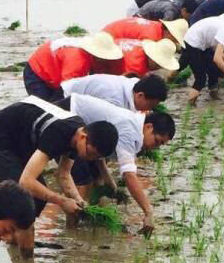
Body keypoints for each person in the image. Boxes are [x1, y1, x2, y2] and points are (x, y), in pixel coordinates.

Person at [0, 100, 118, 256]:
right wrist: (62, 201)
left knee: (37, 200)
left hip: (22, 141)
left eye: (96, 157)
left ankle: (17, 243)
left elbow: (63, 174)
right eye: (92, 154)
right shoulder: (58, 133)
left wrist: (78, 200)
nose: (91, 159)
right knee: (25, 200)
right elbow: (26, 182)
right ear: (83, 137)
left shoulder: (76, 136)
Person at [62, 93, 176, 235]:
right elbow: (129, 175)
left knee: (94, 176)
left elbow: (100, 154)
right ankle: (71, 232)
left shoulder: (134, 125)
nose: (155, 147)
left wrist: (108, 179)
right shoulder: (131, 132)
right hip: (68, 113)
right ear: (148, 127)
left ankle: (88, 220)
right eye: (157, 141)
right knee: (83, 181)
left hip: (79, 118)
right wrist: (148, 211)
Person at [24, 32, 123, 101]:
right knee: (45, 109)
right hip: (38, 71)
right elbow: (66, 91)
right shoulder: (77, 62)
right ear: (95, 55)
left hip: (56, 67)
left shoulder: (91, 57)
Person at [59, 73, 169, 111]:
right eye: (150, 105)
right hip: (65, 99)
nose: (148, 110)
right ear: (140, 95)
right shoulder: (113, 98)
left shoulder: (133, 87)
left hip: (82, 102)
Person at [136, 0, 202, 22]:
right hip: (141, 16)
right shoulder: (171, 11)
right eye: (189, 16)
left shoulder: (179, 6)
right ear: (184, 10)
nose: (189, 18)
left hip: (151, 17)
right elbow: (164, 28)